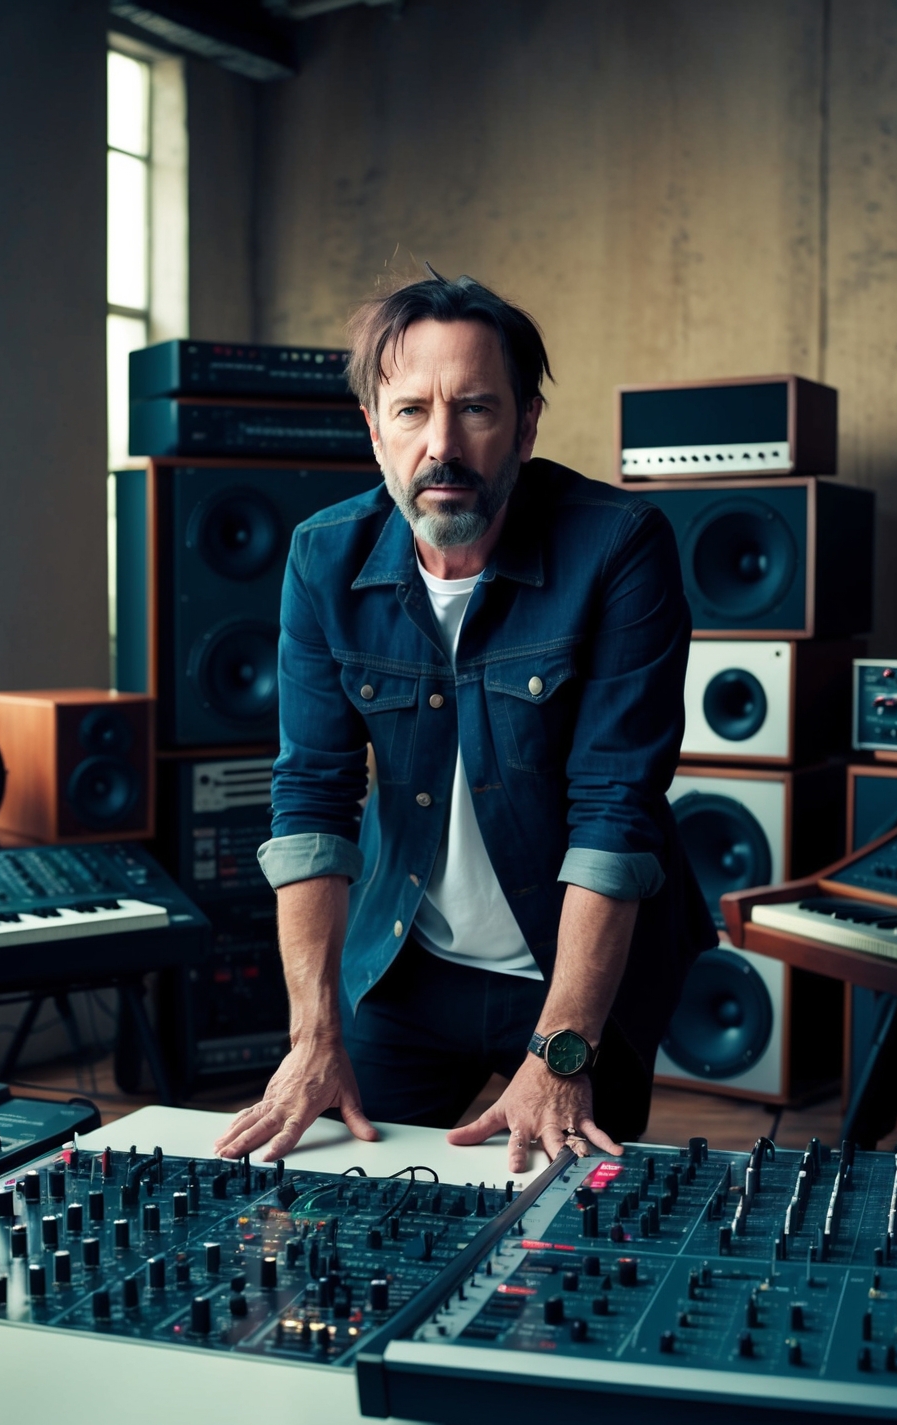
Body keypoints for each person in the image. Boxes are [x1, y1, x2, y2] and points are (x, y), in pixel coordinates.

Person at [215, 271, 712, 1174]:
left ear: (525, 424)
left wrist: (562, 1051)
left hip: (579, 977)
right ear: (374, 430)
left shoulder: (620, 545)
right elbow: (312, 798)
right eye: (410, 412)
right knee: (351, 1208)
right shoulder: (322, 558)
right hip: (406, 966)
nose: (441, 445)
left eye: (475, 408)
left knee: (578, 1233)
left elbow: (616, 807)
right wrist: (313, 1035)